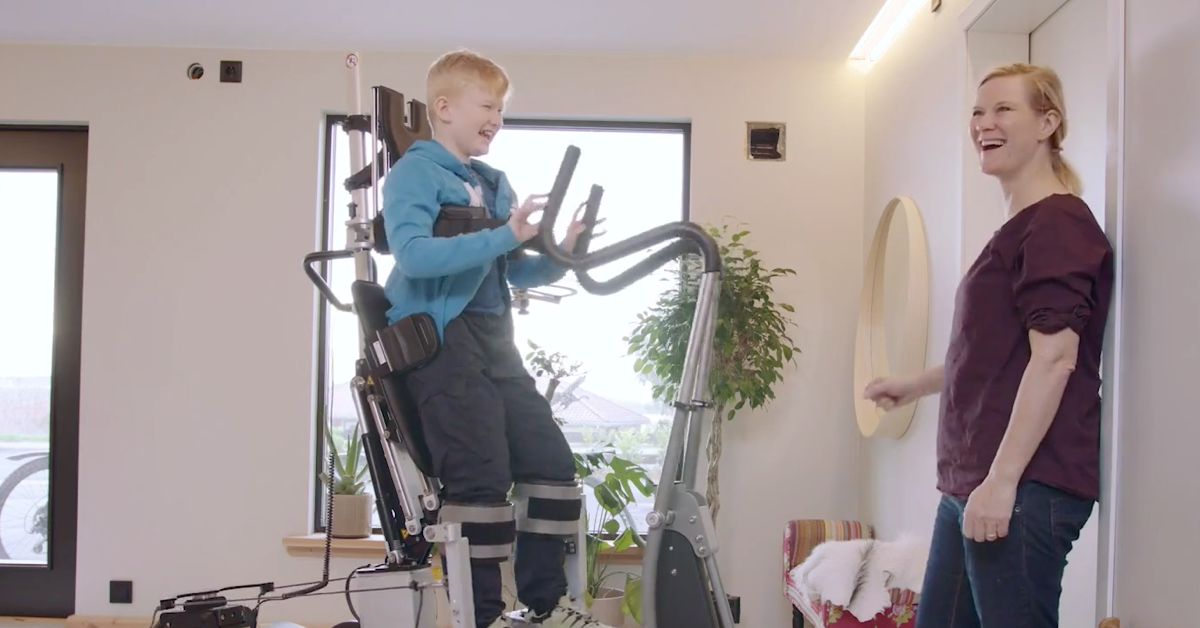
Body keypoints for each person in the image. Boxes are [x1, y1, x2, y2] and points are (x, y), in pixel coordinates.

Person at [863, 63, 1114, 627]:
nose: (984, 123)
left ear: (1048, 122)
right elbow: (991, 355)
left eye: (1004, 109)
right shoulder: (1019, 227)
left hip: (1021, 484)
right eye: (978, 111)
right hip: (974, 482)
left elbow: (1054, 359)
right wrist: (915, 385)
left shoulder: (1056, 225)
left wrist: (1001, 482)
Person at [379, 49, 609, 628]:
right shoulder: (416, 172)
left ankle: (543, 605)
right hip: (442, 342)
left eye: (501, 110)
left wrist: (564, 251)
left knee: (550, 465)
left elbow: (512, 271)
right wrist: (506, 233)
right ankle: (480, 617)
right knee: (480, 478)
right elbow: (413, 254)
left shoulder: (494, 183)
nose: (496, 119)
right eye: (487, 106)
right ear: (445, 107)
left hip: (495, 340)